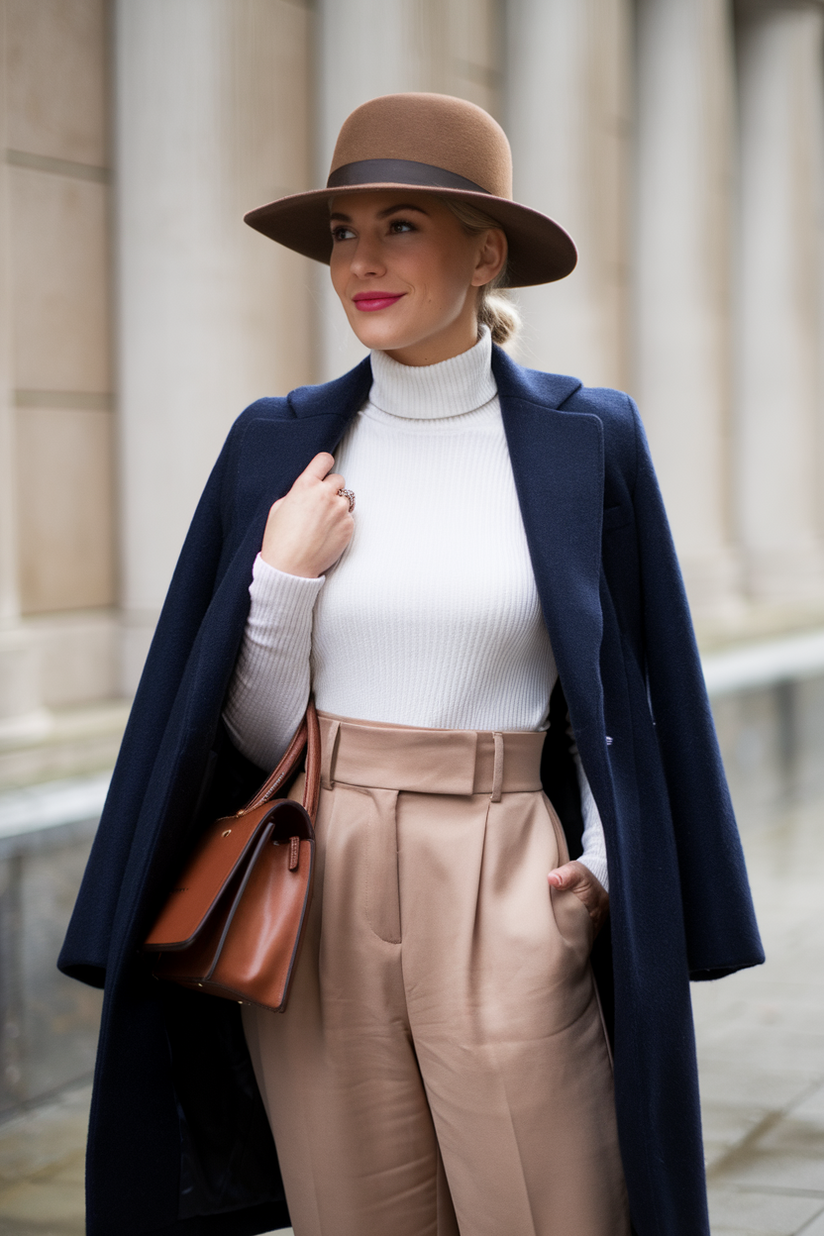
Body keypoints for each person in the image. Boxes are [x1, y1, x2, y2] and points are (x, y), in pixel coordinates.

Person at [60, 93, 763, 1236]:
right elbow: (237, 739)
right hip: (314, 879)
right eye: (344, 231)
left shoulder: (585, 438)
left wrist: (596, 870)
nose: (360, 261)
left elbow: (640, 688)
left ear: (486, 253)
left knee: (555, 1211)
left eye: (400, 226)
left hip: (502, 871)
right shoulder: (276, 443)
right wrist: (282, 585)